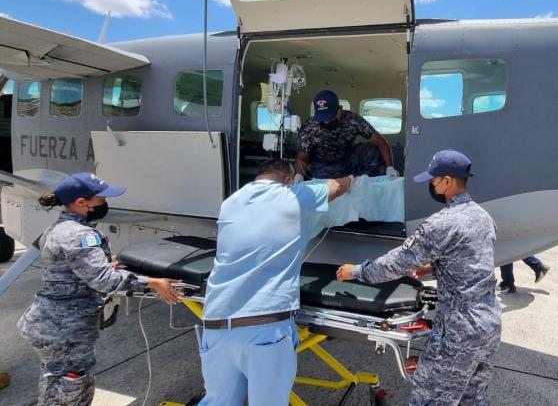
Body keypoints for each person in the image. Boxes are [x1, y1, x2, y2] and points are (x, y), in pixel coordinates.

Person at [337, 149, 501, 405]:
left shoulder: (441, 223)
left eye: (433, 181)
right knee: (472, 399)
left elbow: (396, 263)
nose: (431, 186)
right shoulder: (483, 216)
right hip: (489, 323)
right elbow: (473, 263)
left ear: (447, 181)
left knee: (430, 399)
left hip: (458, 329)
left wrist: (357, 271)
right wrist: (433, 269)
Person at [18, 173, 180, 406]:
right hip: (64, 329)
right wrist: (152, 282)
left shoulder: (62, 227)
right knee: (68, 388)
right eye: (100, 199)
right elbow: (103, 280)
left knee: (67, 382)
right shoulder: (79, 235)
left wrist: (111, 264)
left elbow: (73, 268)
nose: (104, 203)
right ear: (81, 202)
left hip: (55, 324)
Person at [198, 159, 351, 406]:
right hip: (265, 326)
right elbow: (336, 187)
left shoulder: (230, 202)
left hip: (216, 323)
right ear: (288, 180)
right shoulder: (292, 196)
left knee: (218, 402)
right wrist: (353, 179)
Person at [294, 90, 398, 180]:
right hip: (324, 164)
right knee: (326, 184)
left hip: (348, 158)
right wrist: (298, 176)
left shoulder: (352, 120)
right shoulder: (309, 127)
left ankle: (381, 184)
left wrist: (390, 168)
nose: (326, 122)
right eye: (323, 118)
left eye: (330, 117)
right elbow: (302, 157)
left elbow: (380, 141)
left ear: (340, 109)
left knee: (372, 150)